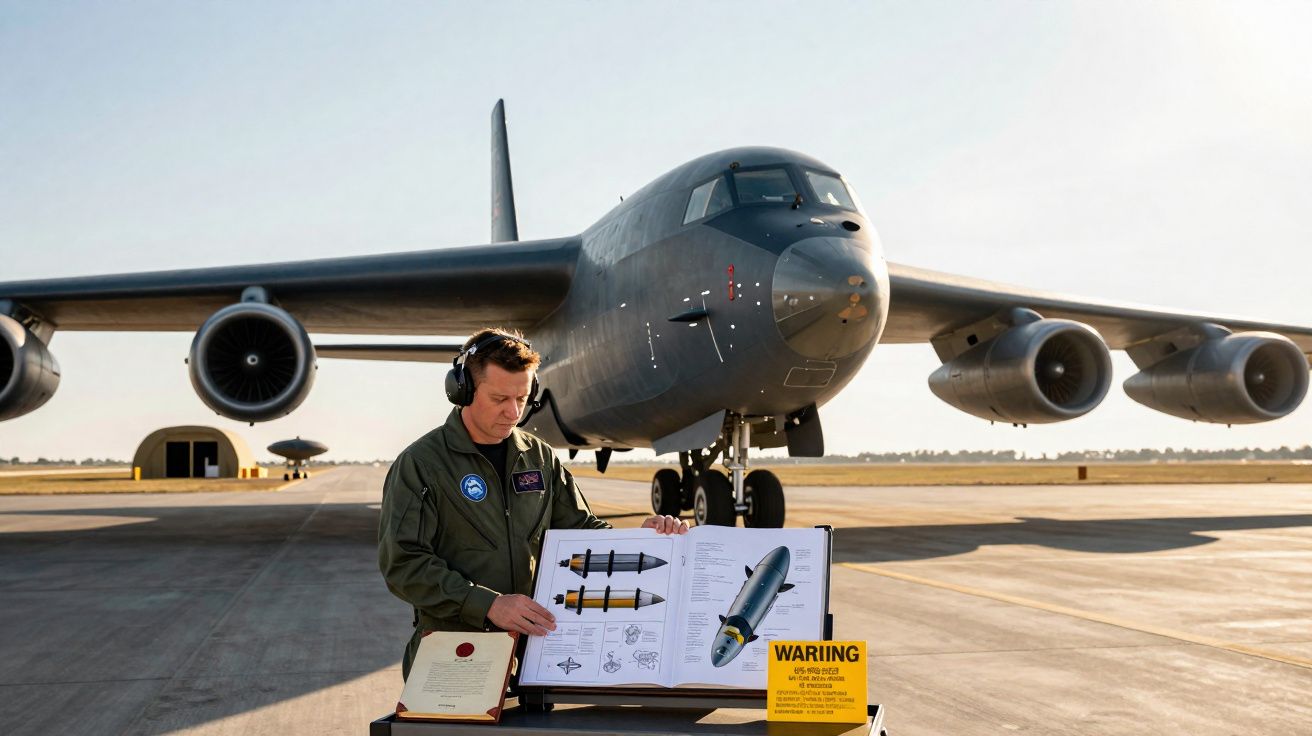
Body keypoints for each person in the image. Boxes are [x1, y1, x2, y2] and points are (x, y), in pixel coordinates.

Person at [378, 327, 688, 679]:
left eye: (522, 399)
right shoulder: (421, 465)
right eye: (499, 399)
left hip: (538, 657)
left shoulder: (539, 457)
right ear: (462, 390)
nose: (513, 412)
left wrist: (640, 537)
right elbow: (403, 565)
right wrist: (487, 605)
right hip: (455, 651)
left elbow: (582, 531)